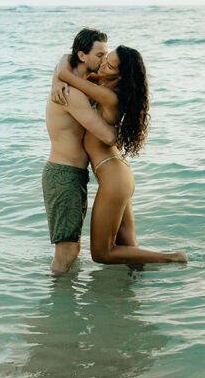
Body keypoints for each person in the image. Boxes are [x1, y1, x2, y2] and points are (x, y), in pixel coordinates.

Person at [53, 45, 187, 265]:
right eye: (105, 59)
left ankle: (173, 257)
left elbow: (65, 73)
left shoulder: (108, 95)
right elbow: (65, 63)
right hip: (119, 173)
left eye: (110, 65)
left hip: (114, 178)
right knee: (129, 248)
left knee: (102, 253)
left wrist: (58, 81)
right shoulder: (106, 86)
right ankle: (132, 294)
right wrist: (61, 75)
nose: (103, 65)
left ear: (120, 75)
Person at [43, 28, 118, 274]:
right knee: (67, 252)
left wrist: (59, 73)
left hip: (72, 175)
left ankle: (65, 306)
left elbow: (65, 59)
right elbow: (107, 136)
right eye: (100, 54)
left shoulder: (74, 82)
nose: (104, 60)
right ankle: (57, 304)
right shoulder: (70, 93)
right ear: (83, 56)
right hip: (64, 175)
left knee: (72, 249)